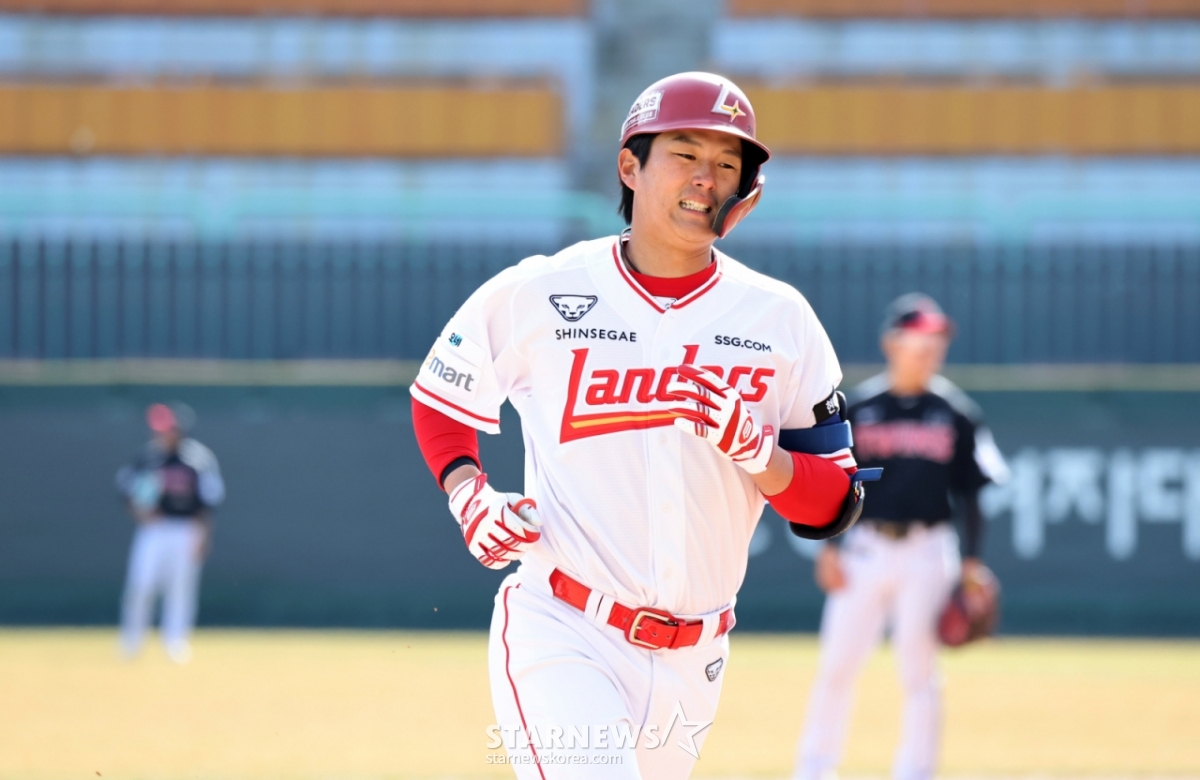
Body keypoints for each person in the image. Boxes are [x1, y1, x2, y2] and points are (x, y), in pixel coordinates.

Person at [410, 72, 877, 778]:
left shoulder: (780, 319)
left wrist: (759, 454)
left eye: (727, 164)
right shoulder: (545, 289)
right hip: (565, 627)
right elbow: (443, 395)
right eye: (685, 155)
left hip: (698, 658)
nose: (706, 178)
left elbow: (834, 503)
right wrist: (466, 491)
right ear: (631, 165)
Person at [792, 293, 1009, 780]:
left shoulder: (956, 412)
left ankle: (916, 773)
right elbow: (833, 481)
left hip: (928, 552)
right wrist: (827, 548)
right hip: (863, 548)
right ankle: (814, 770)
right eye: (918, 338)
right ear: (892, 342)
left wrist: (972, 563)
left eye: (936, 340)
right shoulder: (861, 406)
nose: (928, 349)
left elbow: (974, 493)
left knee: (919, 673)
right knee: (837, 667)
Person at [115, 402, 225, 664]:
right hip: (154, 529)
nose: (160, 434)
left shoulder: (198, 459)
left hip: (187, 528)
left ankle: (175, 642)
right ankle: (131, 641)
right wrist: (140, 514)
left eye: (166, 429)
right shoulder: (148, 457)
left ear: (179, 430)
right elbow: (126, 490)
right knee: (141, 584)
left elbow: (209, 501)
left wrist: (204, 536)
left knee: (180, 589)